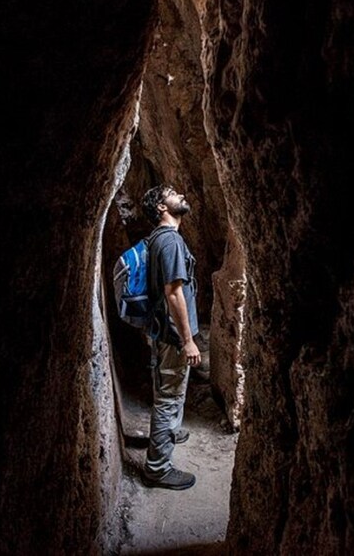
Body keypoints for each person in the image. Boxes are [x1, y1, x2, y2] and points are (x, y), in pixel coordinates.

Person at [140, 184, 201, 490]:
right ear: (162, 208)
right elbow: (174, 293)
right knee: (170, 396)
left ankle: (169, 432)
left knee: (167, 387)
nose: (180, 194)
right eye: (172, 192)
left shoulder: (156, 240)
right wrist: (188, 340)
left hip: (162, 331)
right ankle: (157, 468)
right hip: (174, 335)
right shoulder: (170, 242)